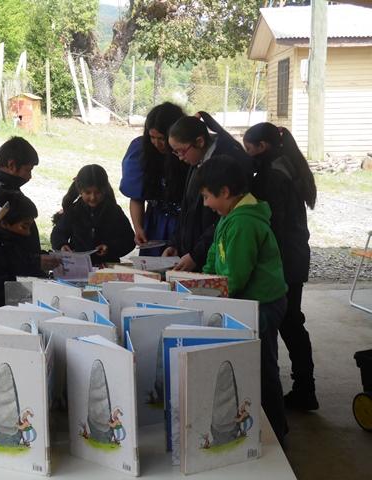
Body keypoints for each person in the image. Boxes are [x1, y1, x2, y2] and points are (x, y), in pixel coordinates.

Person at [195, 154, 288, 446]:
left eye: (208, 196)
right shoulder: (229, 217)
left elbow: (234, 278)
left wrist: (206, 296)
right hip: (245, 302)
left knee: (262, 368)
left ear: (225, 192)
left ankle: (277, 431)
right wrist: (201, 283)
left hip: (261, 305)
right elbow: (214, 257)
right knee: (254, 365)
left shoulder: (244, 223)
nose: (206, 204)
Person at [244, 122, 319, 411]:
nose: (247, 155)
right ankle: (304, 387)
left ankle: (303, 389)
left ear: (262, 147)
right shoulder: (283, 165)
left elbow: (273, 224)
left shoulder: (273, 175)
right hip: (294, 257)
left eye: (249, 149)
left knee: (288, 323)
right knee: (292, 323)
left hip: (286, 261)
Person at [163, 112, 254, 271]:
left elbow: (221, 220)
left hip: (211, 257)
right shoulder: (197, 159)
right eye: (175, 152)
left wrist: (196, 255)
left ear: (199, 141)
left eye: (181, 151)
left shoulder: (227, 161)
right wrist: (176, 243)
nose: (180, 157)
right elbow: (187, 206)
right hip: (193, 253)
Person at [0, 136, 57, 292]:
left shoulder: (6, 190)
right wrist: (35, 261)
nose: (30, 176)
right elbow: (1, 250)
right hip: (3, 286)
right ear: (11, 165)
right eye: (28, 170)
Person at [119, 103, 189, 256]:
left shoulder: (188, 153)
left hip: (185, 226)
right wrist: (138, 228)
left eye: (162, 138)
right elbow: (136, 198)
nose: (157, 143)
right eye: (152, 137)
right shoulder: (140, 151)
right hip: (154, 224)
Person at [0, 191, 48, 330]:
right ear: (4, 223)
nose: (28, 232)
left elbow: (21, 263)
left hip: (17, 317)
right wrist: (41, 291)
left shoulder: (16, 241)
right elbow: (0, 294)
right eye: (24, 226)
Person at [51, 164, 135, 265]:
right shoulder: (73, 210)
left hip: (107, 267)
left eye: (98, 192)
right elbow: (58, 233)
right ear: (80, 191)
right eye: (88, 192)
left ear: (104, 190)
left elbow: (129, 240)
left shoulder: (114, 211)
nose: (93, 197)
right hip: (78, 266)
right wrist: (62, 245)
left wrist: (109, 248)